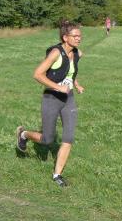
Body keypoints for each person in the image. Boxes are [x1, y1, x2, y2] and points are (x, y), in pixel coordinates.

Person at [16, 20, 85, 187]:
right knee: (47, 139)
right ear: (65, 37)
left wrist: (76, 84)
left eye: (80, 36)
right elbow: (37, 74)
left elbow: (70, 71)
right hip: (51, 98)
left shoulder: (77, 53)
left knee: (68, 138)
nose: (79, 38)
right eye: (75, 36)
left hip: (68, 99)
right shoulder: (55, 53)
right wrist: (58, 87)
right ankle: (24, 134)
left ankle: (57, 175)